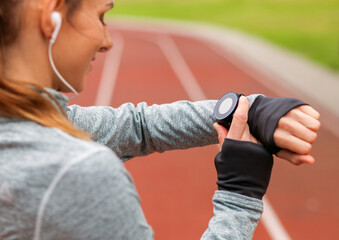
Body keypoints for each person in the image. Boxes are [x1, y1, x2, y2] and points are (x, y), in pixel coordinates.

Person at [0, 0, 320, 239]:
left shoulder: (21, 124)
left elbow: (137, 127)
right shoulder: (76, 173)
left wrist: (248, 110)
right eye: (101, 16)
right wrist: (240, 198)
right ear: (51, 15)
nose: (107, 41)